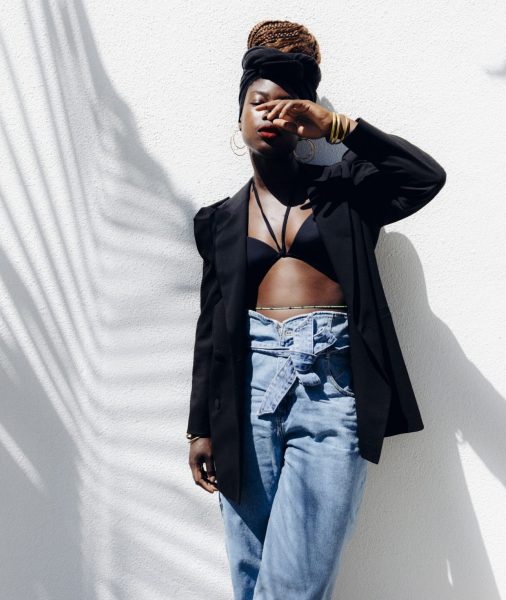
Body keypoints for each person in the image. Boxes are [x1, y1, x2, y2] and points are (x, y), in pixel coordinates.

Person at [186, 20, 447, 600]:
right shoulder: (218, 221)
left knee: (293, 586)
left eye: (286, 105)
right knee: (251, 576)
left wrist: (337, 126)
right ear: (238, 116)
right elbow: (211, 328)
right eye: (258, 102)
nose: (269, 114)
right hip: (246, 395)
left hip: (329, 389)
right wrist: (199, 425)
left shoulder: (346, 192)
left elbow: (425, 178)